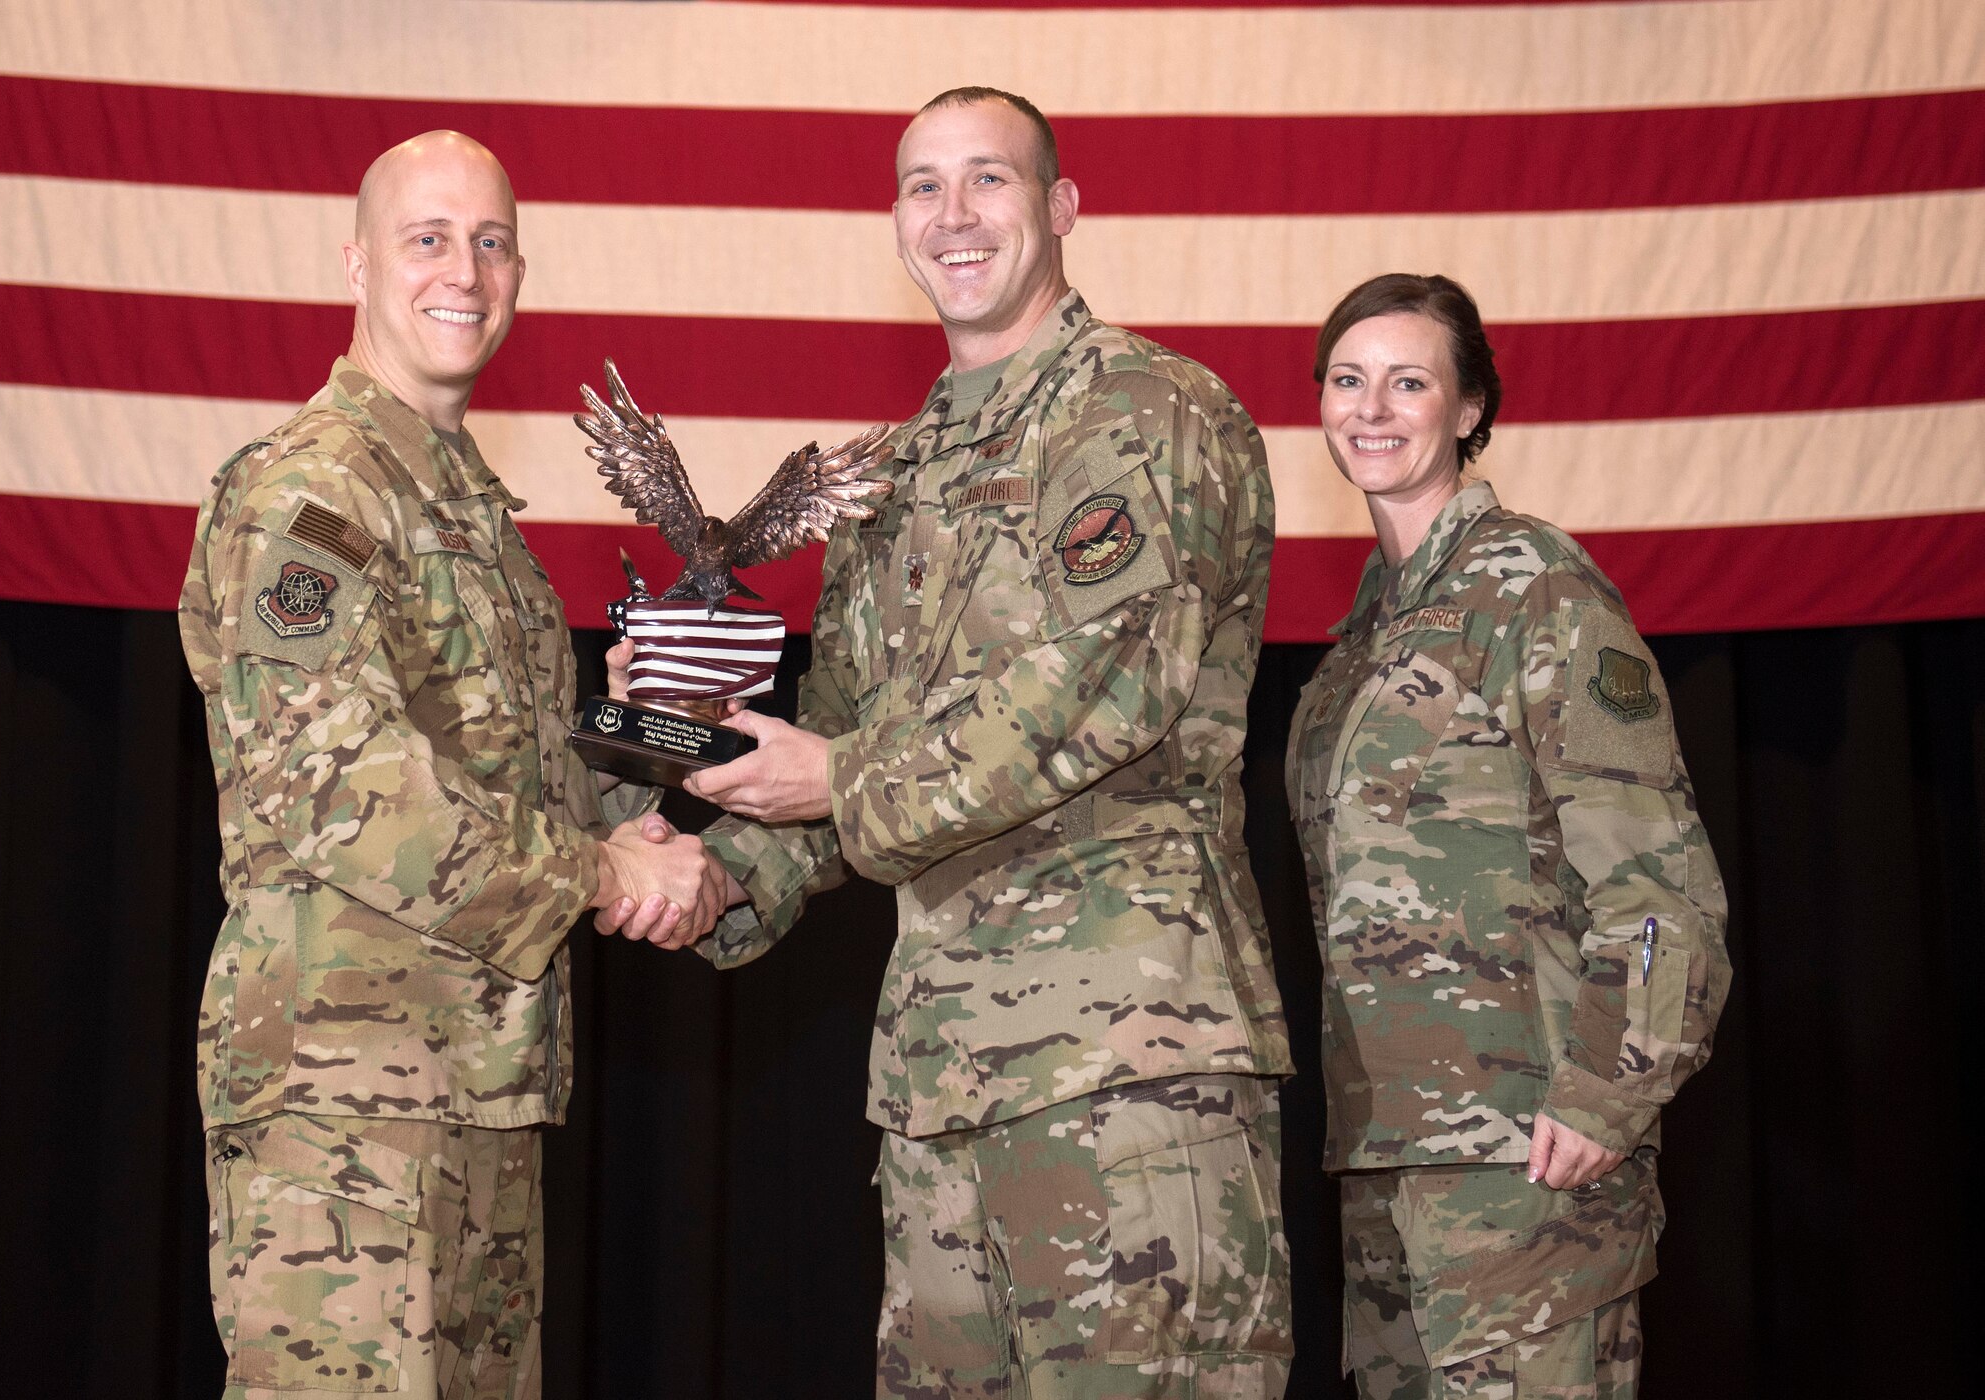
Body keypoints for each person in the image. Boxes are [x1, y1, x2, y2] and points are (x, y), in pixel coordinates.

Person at [671, 88, 1296, 1396]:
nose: (953, 215)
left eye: (989, 181)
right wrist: (722, 872)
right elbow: (841, 734)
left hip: (1129, 1066)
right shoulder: (889, 478)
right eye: (922, 185)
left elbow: (1105, 683)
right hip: (940, 1087)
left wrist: (840, 776)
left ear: (1061, 208)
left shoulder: (1143, 409)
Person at [177, 130, 722, 1400]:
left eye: (490, 241)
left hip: (477, 1088)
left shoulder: (469, 514)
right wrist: (597, 871)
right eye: (427, 239)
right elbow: (342, 789)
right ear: (355, 262)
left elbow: (510, 785)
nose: (462, 272)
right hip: (342, 1107)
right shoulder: (312, 493)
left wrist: (644, 738)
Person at [1289, 273, 1732, 1399]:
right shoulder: (1357, 642)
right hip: (1387, 1162)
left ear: (1470, 408)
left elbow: (1658, 879)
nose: (1371, 407)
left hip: (1527, 1158)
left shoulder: (1535, 585)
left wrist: (1605, 1092)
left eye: (1407, 381)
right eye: (1347, 380)